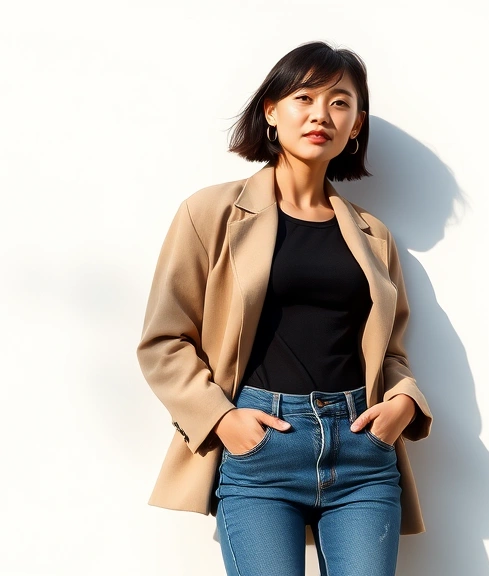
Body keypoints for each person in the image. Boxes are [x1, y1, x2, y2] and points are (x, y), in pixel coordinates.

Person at [135, 41, 434, 575]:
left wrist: (405, 403)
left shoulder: (374, 236)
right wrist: (221, 419)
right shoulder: (211, 214)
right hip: (262, 452)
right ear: (271, 111)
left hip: (362, 454)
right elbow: (164, 341)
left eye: (340, 102)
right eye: (304, 97)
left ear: (356, 124)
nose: (322, 114)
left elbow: (391, 352)